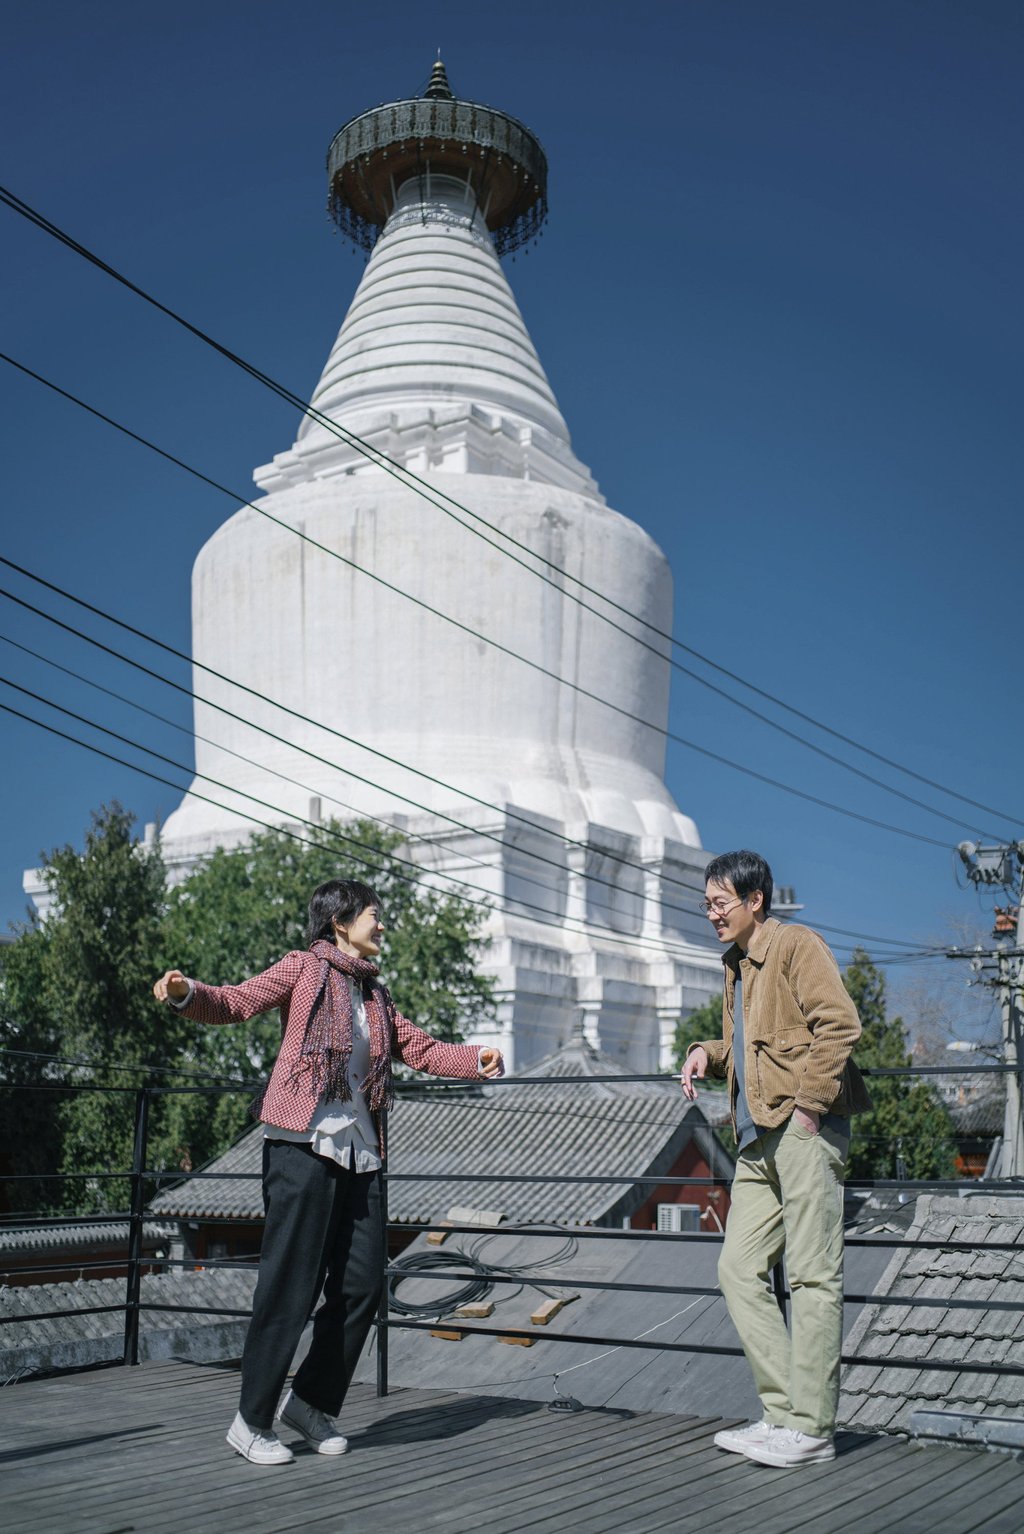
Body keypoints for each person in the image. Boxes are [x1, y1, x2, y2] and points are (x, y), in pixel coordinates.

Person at [153, 876, 504, 1466]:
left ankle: (311, 1403)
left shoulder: (376, 996)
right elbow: (236, 1001)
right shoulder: (302, 968)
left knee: (364, 1284)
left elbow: (417, 1049)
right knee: (291, 1283)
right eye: (374, 914)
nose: (382, 924)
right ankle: (251, 1419)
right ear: (340, 922)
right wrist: (188, 992)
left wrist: (474, 1058)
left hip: (360, 1150)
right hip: (302, 1140)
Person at [680, 850, 870, 1468]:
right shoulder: (737, 965)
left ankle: (812, 1428)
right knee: (737, 1270)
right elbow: (750, 1045)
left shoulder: (795, 945)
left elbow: (839, 1024)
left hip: (801, 1128)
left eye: (720, 903)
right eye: (707, 903)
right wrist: (707, 1051)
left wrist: (811, 1108)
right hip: (757, 1136)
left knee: (813, 1274)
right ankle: (783, 1413)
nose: (711, 914)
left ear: (754, 899)